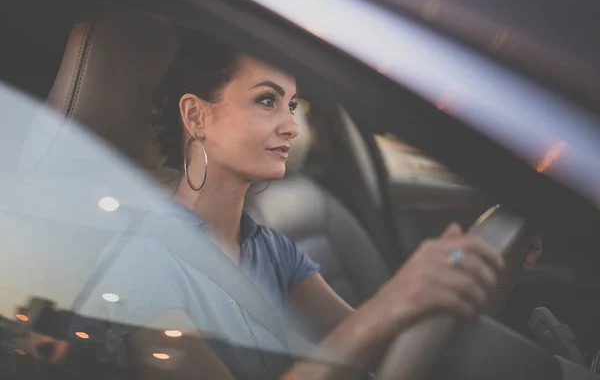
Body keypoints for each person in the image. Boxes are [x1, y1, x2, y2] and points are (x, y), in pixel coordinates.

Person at [71, 34, 538, 380]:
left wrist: (477, 282)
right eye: (268, 100)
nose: (292, 126)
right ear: (196, 116)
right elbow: (368, 332)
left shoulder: (272, 249)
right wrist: (393, 300)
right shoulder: (137, 265)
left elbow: (385, 348)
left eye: (292, 105)